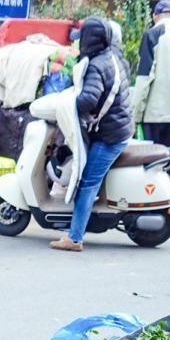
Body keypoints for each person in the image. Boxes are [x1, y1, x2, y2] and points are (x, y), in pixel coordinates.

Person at [50, 17, 132, 254]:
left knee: (87, 182)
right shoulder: (110, 56)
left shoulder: (97, 64)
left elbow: (88, 99)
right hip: (116, 127)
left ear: (90, 40)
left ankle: (75, 237)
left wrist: (65, 104)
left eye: (81, 39)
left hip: (111, 135)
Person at [131, 0, 170, 145]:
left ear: (154, 16)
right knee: (169, 162)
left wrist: (135, 115)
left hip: (155, 114)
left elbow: (144, 77)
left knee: (153, 164)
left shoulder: (152, 34)